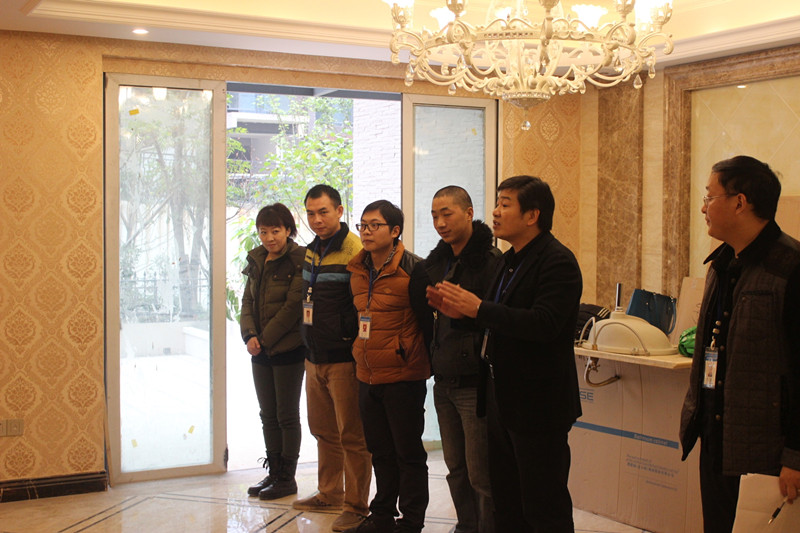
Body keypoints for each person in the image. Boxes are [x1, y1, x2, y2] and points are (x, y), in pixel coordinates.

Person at [428, 175, 583, 532]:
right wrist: (463, 315)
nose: (495, 212)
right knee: (508, 501)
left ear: (532, 215)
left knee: (543, 505)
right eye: (497, 203)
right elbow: (499, 321)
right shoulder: (509, 260)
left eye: (505, 204)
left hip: (538, 403)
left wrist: (478, 308)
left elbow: (545, 324)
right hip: (502, 398)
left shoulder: (557, 260)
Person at [679, 155, 800, 532]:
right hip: (718, 437)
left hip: (766, 449)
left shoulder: (790, 268)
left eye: (709, 196)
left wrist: (795, 455)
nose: (703, 207)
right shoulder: (721, 264)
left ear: (739, 202)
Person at [410, 186, 500, 533]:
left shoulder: (490, 262)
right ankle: (466, 526)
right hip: (443, 378)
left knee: (481, 474)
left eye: (447, 214)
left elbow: (497, 319)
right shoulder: (436, 264)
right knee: (456, 468)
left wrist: (466, 315)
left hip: (475, 381)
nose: (440, 223)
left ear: (468, 213)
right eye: (434, 216)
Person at [344, 200, 431, 533]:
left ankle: (411, 521)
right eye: (363, 225)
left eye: (374, 225)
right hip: (367, 373)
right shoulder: (357, 269)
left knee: (408, 453)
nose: (366, 232)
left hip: (403, 375)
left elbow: (427, 323)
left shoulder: (414, 269)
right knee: (379, 451)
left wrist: (417, 360)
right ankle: (381, 515)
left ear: (395, 231)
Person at [293, 185, 372, 533]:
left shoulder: (355, 249)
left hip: (343, 359)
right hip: (314, 356)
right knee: (323, 431)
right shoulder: (312, 250)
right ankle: (329, 492)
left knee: (352, 435)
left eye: (323, 212)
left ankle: (356, 506)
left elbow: (362, 305)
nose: (316, 220)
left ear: (339, 211)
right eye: (311, 213)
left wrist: (357, 349)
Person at [240, 203, 307, 500]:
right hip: (261, 350)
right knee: (267, 414)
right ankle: (274, 471)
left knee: (286, 415)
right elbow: (247, 301)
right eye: (263, 232)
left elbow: (294, 307)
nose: (269, 238)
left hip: (289, 348)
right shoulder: (257, 259)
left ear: (288, 230)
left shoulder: (299, 259)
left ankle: (287, 478)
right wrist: (249, 335)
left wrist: (263, 339)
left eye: (275, 231)